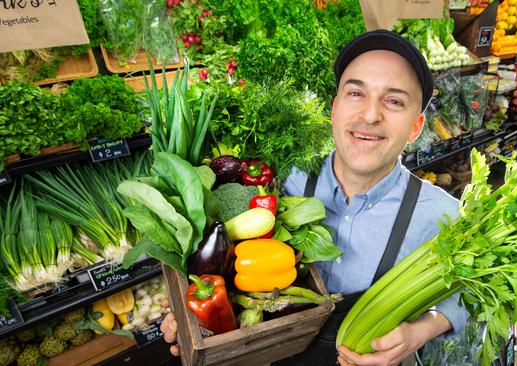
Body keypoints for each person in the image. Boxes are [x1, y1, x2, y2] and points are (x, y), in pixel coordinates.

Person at [161, 29, 468, 366]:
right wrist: (190, 316)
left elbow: (468, 293)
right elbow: (220, 266)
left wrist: (422, 330)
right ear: (334, 108)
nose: (370, 115)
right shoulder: (280, 177)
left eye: (394, 101)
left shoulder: (440, 214)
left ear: (415, 126)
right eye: (356, 93)